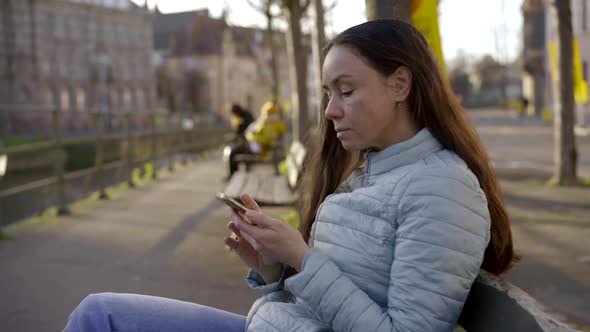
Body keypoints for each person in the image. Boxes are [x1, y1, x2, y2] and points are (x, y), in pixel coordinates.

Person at [63, 19, 517, 332]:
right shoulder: (374, 170)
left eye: (346, 90)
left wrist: (303, 259)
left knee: (101, 317)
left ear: (400, 84)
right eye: (327, 93)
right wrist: (274, 269)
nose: (330, 110)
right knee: (100, 314)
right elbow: (333, 296)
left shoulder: (443, 188)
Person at [225, 101, 286, 178]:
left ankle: (233, 176)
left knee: (233, 152)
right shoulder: (270, 123)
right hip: (256, 146)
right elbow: (258, 133)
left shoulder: (271, 124)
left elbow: (265, 139)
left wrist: (251, 137)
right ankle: (234, 175)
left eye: (265, 113)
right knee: (234, 151)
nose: (263, 115)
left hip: (258, 148)